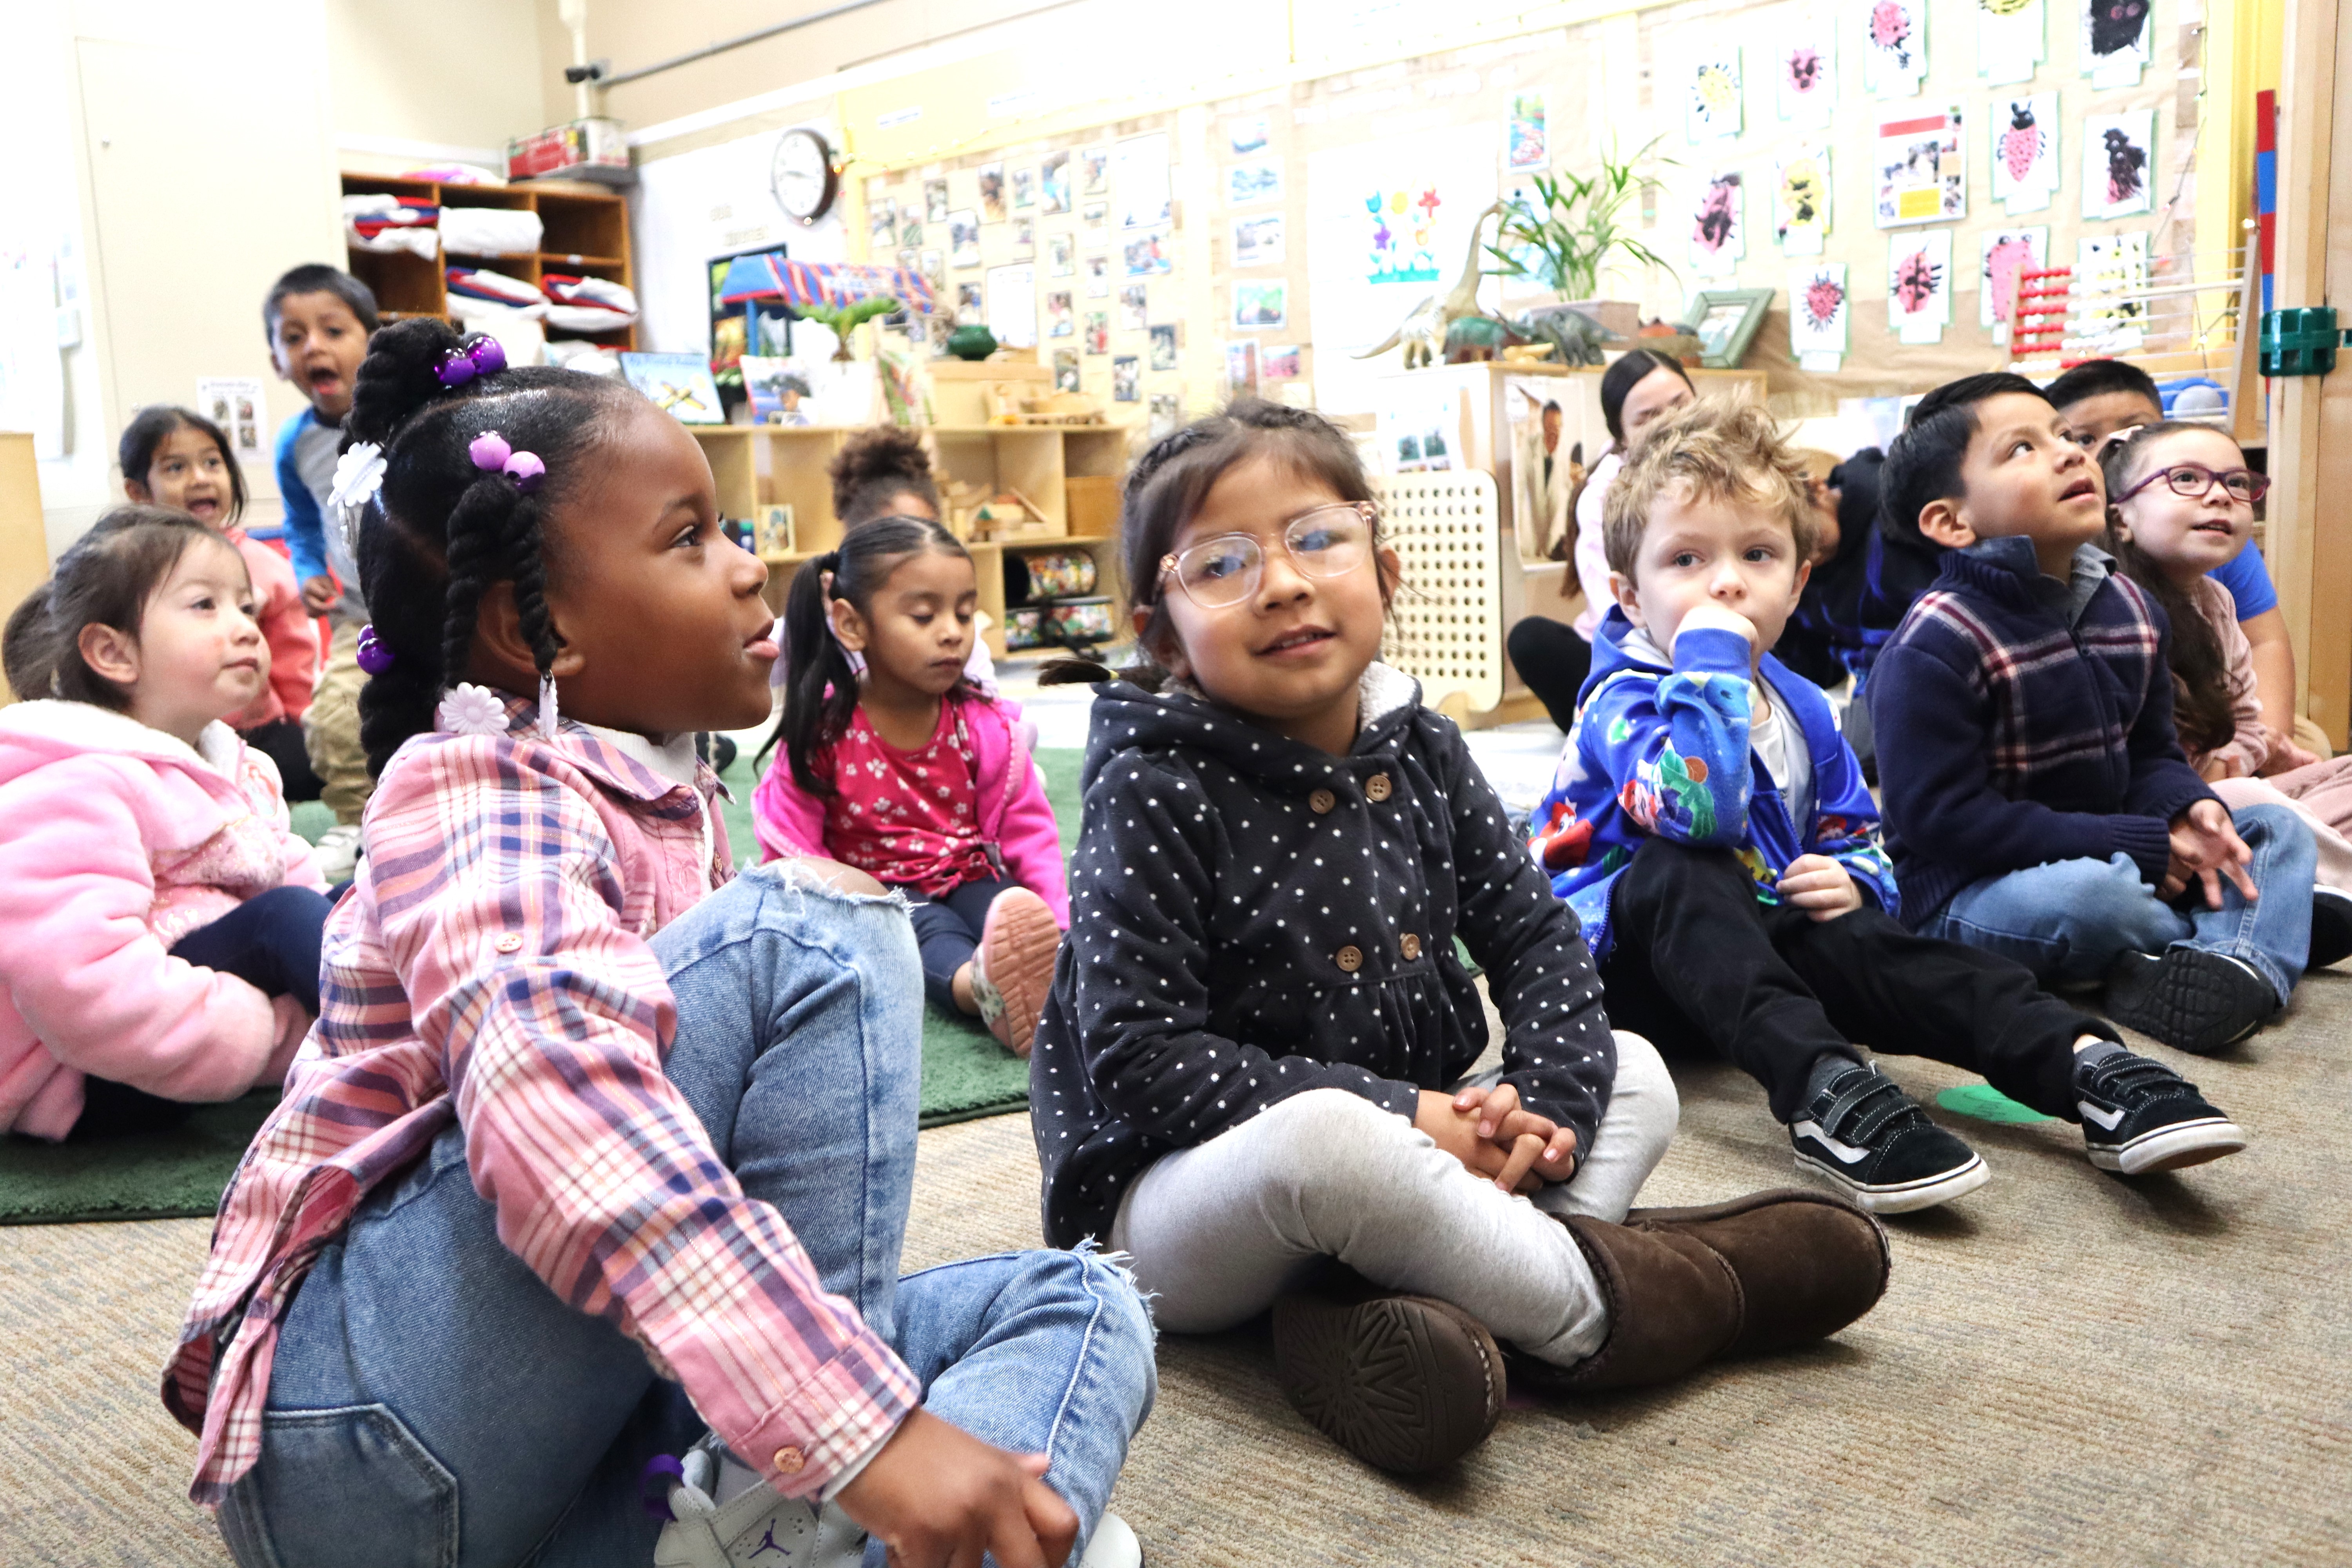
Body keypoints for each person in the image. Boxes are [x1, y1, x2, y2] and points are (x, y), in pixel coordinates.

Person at [166, 319, 1153, 1568]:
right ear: (541, 639)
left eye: (727, 528)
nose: (749, 569)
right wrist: (861, 1434)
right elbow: (553, 1106)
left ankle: (804, 1512)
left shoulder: (675, 796)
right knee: (826, 922)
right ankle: (797, 1495)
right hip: (366, 1438)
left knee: (1081, 1294)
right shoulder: (470, 784)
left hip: (581, 1454)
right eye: (689, 537)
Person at [1030, 399, 1890, 1478]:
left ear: (1384, 569)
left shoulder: (1423, 746)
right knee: (1329, 1141)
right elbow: (1142, 1064)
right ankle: (1636, 1311)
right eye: (1219, 565)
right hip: (1181, 1205)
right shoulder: (1155, 784)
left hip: (1427, 1146)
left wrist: (1543, 1099)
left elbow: (1536, 939)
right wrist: (1409, 1120)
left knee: (1635, 1071)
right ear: (1161, 630)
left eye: (1315, 539)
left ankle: (1396, 1314)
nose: (1285, 582)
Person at [1531, 399, 2244, 1213]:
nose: (1727, 580)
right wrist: (1712, 659)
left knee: (1870, 940)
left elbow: (1859, 832)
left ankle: (2081, 1063)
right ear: (1628, 594)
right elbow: (1700, 811)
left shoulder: (1802, 703)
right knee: (1681, 865)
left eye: (1757, 554)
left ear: (1798, 580)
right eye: (1686, 559)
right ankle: (1823, 1086)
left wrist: (1854, 881)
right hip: (1625, 970)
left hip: (1750, 956)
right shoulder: (1622, 698)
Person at [1870, 374, 2324, 1056]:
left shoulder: (2130, 606)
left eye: (2065, 435)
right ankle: (2240, 932)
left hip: (2118, 847)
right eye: (2021, 449)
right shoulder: (1937, 640)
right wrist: (2142, 843)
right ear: (1951, 521)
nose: (2069, 453)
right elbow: (1945, 821)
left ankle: (2237, 970)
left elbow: (2151, 755)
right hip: (1971, 892)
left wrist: (2184, 809)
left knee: (2273, 827)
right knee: (2093, 899)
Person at [0, 507, 329, 1141]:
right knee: (284, 919)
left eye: (245, 607)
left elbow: (300, 884)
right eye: (205, 606)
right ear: (112, 652)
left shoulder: (236, 764)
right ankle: (419, 1046)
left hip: (190, 1001)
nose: (245, 630)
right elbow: (79, 986)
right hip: (80, 1073)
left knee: (352, 901)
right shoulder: (74, 780)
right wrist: (268, 1033)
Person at [752, 517, 1067, 1055]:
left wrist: (1058, 923)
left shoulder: (983, 725)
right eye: (925, 615)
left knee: (1004, 907)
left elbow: (1030, 833)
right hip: (884, 899)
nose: (952, 631)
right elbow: (794, 852)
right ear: (852, 625)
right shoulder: (823, 733)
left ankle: (1057, 977)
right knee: (930, 935)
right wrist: (836, 930)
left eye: (965, 613)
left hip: (969, 872)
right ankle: (981, 991)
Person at [2101, 420, 2352, 941]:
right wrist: (2221, 782)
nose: (2219, 495)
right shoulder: (2107, 612)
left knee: (2339, 774)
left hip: (2218, 795)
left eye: (2236, 483)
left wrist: (2244, 758)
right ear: (2121, 516)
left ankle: (2307, 884)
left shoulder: (2217, 604)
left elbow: (2248, 722)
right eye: (2187, 479)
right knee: (2250, 800)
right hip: (2154, 822)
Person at [2047, 358, 2322, 770]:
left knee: (2313, 747)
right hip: (2145, 791)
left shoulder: (2215, 578)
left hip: (2214, 756)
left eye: (2236, 482)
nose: (2114, 445)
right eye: (2085, 438)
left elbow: (2264, 653)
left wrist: (2257, 756)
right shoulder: (2083, 585)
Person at [118, 406, 325, 800]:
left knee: (310, 768)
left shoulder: (264, 567)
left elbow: (294, 659)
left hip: (256, 729)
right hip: (167, 729)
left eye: (212, 463)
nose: (200, 478)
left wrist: (307, 726)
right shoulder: (131, 571)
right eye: (176, 468)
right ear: (139, 492)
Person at [1507, 350, 1695, 730]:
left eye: (1681, 405)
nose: (1671, 425)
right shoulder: (1604, 496)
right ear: (1621, 435)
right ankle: (1603, 718)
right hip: (1634, 649)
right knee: (1532, 640)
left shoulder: (1732, 468)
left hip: (1723, 632)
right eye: (1648, 418)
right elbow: (1617, 611)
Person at [265, 263, 379, 875]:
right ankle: (353, 818)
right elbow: (303, 524)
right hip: (355, 615)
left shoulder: (407, 416)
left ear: (372, 337)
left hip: (437, 604)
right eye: (293, 337)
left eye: (333, 330)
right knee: (335, 714)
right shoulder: (294, 444)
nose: (314, 346)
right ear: (278, 360)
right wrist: (309, 569)